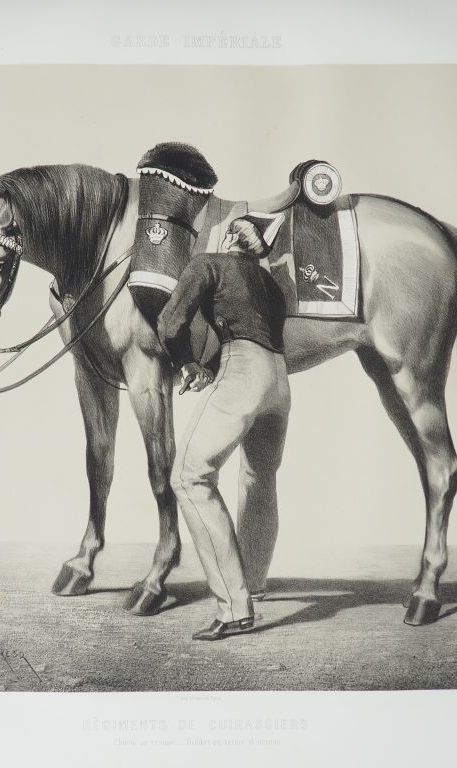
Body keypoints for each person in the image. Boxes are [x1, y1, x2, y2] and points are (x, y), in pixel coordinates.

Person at [157, 215, 290, 641]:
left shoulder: (208, 264)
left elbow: (169, 323)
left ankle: (234, 608)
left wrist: (186, 364)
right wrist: (211, 368)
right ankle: (254, 582)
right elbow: (266, 332)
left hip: (244, 370)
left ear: (230, 237)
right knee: (259, 476)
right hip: (279, 381)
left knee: (188, 477)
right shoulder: (269, 284)